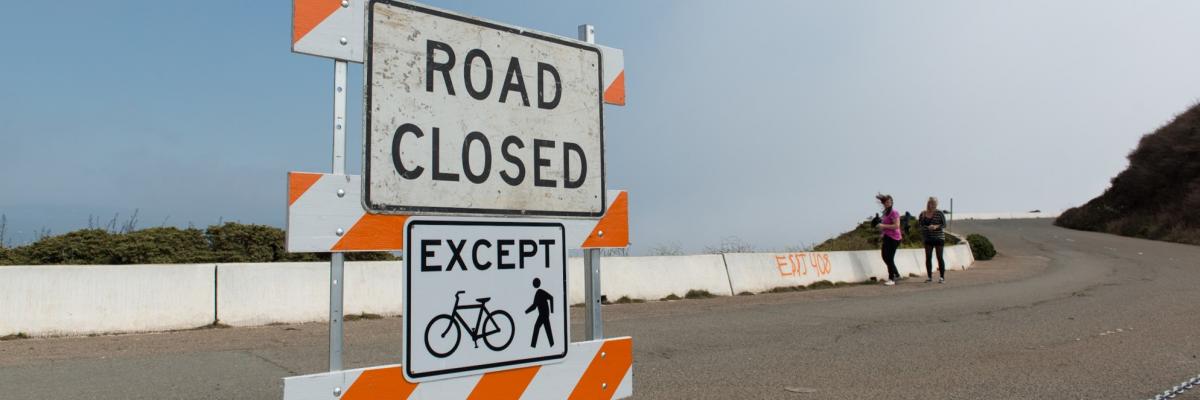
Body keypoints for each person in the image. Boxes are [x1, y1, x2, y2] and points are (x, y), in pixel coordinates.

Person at [875, 194, 902, 286]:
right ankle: (897, 274)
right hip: (887, 237)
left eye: (890, 202)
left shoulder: (894, 213)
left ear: (892, 203)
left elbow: (896, 226)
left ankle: (892, 278)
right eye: (886, 202)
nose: (888, 203)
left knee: (889, 258)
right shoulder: (885, 213)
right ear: (884, 203)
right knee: (884, 256)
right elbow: (885, 227)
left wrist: (883, 226)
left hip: (894, 238)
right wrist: (882, 234)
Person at [919, 197, 947, 283]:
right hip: (928, 238)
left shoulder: (940, 213)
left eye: (934, 203)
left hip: (939, 237)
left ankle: (942, 277)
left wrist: (936, 227)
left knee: (939, 257)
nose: (932, 205)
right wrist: (928, 227)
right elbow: (920, 226)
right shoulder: (923, 214)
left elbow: (944, 224)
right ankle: (929, 277)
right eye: (931, 203)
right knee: (928, 257)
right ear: (928, 203)